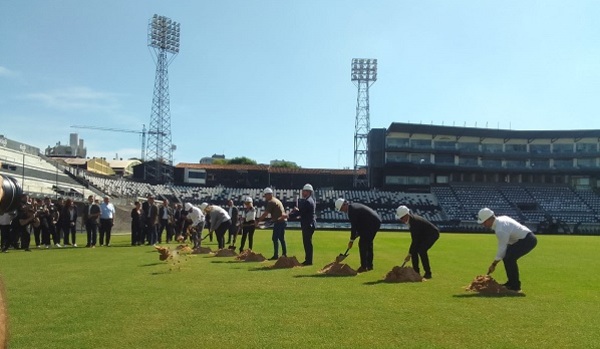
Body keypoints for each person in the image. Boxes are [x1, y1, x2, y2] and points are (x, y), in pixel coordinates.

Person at [477, 208, 538, 292]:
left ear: (489, 219)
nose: (483, 225)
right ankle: (511, 283)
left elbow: (502, 248)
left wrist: (494, 264)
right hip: (523, 239)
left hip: (527, 240)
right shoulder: (501, 220)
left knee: (509, 258)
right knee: (507, 257)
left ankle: (515, 286)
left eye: (484, 222)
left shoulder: (500, 229)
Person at [335, 198, 381, 273]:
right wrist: (358, 234)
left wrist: (351, 240)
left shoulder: (352, 211)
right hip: (373, 222)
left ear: (344, 205)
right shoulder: (353, 207)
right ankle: (369, 265)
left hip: (371, 224)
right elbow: (360, 223)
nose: (342, 211)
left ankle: (364, 267)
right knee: (368, 244)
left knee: (362, 244)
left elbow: (354, 227)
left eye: (341, 209)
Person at [396, 205, 439, 279]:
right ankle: (416, 272)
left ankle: (428, 273)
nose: (401, 220)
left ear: (406, 215)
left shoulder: (414, 222)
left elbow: (415, 241)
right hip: (423, 235)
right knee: (414, 251)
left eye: (402, 218)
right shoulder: (410, 220)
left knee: (422, 250)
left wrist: (409, 254)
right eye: (400, 219)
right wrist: (411, 253)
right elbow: (416, 240)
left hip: (432, 234)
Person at [288, 184, 317, 266]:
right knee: (308, 242)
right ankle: (308, 260)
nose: (302, 192)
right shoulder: (310, 200)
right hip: (309, 224)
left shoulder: (308, 201)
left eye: (304, 191)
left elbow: (300, 212)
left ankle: (308, 261)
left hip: (308, 224)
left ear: (308, 192)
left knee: (307, 243)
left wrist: (289, 215)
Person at [256, 188, 288, 260]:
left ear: (269, 194)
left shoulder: (271, 202)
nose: (265, 197)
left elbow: (265, 214)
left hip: (279, 222)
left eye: (265, 195)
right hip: (283, 221)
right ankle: (284, 254)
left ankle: (276, 255)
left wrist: (258, 220)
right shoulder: (277, 200)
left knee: (275, 238)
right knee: (281, 238)